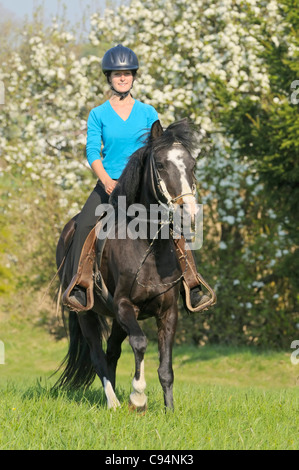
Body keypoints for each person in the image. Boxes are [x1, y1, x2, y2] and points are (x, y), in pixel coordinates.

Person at [63, 44, 210, 311]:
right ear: (109, 78)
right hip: (109, 184)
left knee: (180, 222)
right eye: (117, 74)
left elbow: (158, 149)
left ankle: (192, 282)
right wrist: (106, 180)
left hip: (142, 186)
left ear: (133, 77)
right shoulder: (98, 114)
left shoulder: (148, 112)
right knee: (84, 224)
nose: (122, 78)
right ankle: (81, 285)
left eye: (127, 73)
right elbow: (92, 150)